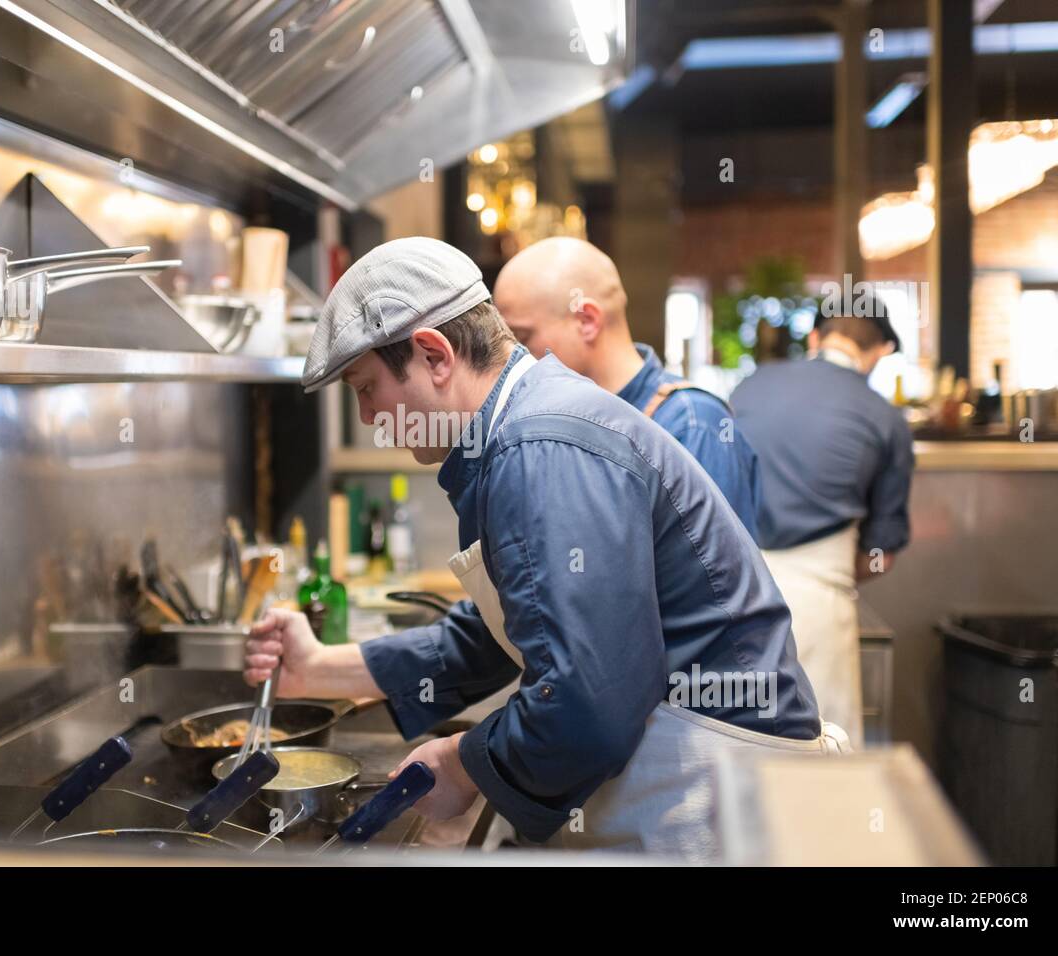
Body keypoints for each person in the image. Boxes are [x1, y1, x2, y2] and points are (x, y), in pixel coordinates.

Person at [246, 237, 843, 856]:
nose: (369, 416)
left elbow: (589, 704)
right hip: (677, 784)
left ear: (434, 355)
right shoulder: (522, 429)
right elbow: (493, 636)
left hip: (715, 796)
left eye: (365, 388)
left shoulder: (540, 447)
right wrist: (318, 668)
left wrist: (461, 762)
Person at [730, 298, 915, 746]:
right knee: (821, 760)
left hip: (732, 601)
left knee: (737, 752)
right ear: (879, 352)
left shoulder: (748, 387)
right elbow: (879, 557)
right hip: (820, 611)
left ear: (816, 338)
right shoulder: (885, 419)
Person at [493, 237, 760, 539]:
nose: (513, 358)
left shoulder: (693, 425)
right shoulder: (559, 422)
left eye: (523, 337)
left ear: (587, 321)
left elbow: (717, 577)